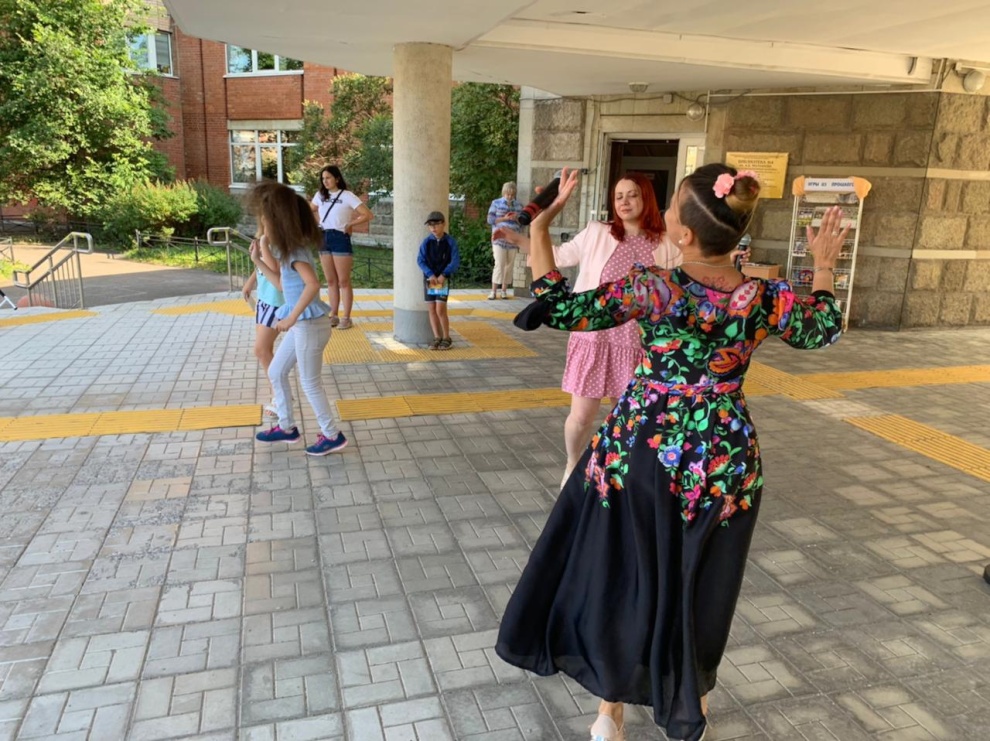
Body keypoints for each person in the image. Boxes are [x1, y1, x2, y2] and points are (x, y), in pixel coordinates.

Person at [495, 164, 844, 741]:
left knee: (625, 572)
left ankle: (610, 711)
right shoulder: (765, 296)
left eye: (675, 207)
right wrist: (824, 265)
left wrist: (540, 227)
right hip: (723, 460)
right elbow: (824, 327)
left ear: (682, 234)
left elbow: (557, 308)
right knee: (702, 581)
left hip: (643, 449)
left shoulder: (652, 286)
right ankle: (690, 704)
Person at [498, 173, 680, 487]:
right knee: (581, 417)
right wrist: (521, 240)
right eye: (619, 196)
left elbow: (684, 279)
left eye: (632, 195)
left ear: (647, 198)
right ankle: (572, 463)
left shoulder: (665, 244)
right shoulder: (599, 231)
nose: (624, 201)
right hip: (594, 338)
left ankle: (619, 473)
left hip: (637, 345)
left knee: (627, 418)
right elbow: (559, 256)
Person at [249, 180, 349, 457]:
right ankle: (286, 427)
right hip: (303, 326)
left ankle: (332, 435)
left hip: (309, 326)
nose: (263, 225)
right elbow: (283, 285)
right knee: (276, 371)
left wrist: (291, 317)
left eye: (267, 221)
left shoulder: (295, 251)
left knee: (310, 382)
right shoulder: (288, 250)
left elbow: (313, 284)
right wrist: (258, 260)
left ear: (279, 223)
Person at [309, 165, 374, 330]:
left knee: (343, 281)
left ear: (337, 178)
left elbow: (367, 214)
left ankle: (346, 317)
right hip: (324, 236)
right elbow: (310, 210)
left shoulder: (347, 195)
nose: (325, 181)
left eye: (328, 178)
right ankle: (334, 314)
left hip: (340, 237)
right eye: (323, 179)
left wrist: (350, 224)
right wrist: (317, 223)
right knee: (331, 280)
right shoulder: (320, 195)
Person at [241, 229, 285, 418]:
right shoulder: (263, 234)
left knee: (261, 350)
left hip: (276, 302)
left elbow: (274, 269)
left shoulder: (278, 237)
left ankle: (280, 395)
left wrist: (263, 246)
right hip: (264, 299)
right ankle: (279, 393)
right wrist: (250, 282)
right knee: (264, 351)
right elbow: (260, 265)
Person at [416, 210, 460, 350]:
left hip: (442, 279)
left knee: (440, 309)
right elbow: (420, 260)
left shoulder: (450, 242)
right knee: (432, 308)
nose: (433, 228)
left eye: (436, 224)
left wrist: (444, 274)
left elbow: (455, 261)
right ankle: (437, 337)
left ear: (443, 224)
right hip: (430, 279)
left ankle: (446, 337)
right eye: (430, 225)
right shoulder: (427, 242)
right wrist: (430, 274)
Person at [486, 181, 525, 300]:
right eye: (508, 194)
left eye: (512, 195)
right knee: (499, 264)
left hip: (513, 240)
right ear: (504, 193)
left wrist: (516, 218)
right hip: (499, 239)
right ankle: (493, 291)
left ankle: (504, 290)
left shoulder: (519, 205)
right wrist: (504, 218)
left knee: (509, 265)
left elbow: (523, 223)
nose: (510, 197)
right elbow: (490, 220)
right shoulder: (496, 203)